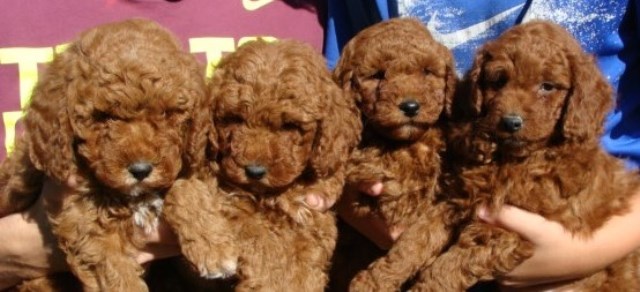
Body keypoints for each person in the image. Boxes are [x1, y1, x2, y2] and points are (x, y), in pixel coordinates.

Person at [0, 0, 327, 290]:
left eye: (169, 116)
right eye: (104, 119)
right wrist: (16, 249)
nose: (139, 152)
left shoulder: (308, 9)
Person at [326, 0, 640, 290]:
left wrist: (592, 251)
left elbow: (494, 233)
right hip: (401, 223)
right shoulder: (476, 142)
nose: (513, 111)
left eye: (547, 87)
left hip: (601, 255)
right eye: (499, 81)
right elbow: (341, 90)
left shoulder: (565, 160)